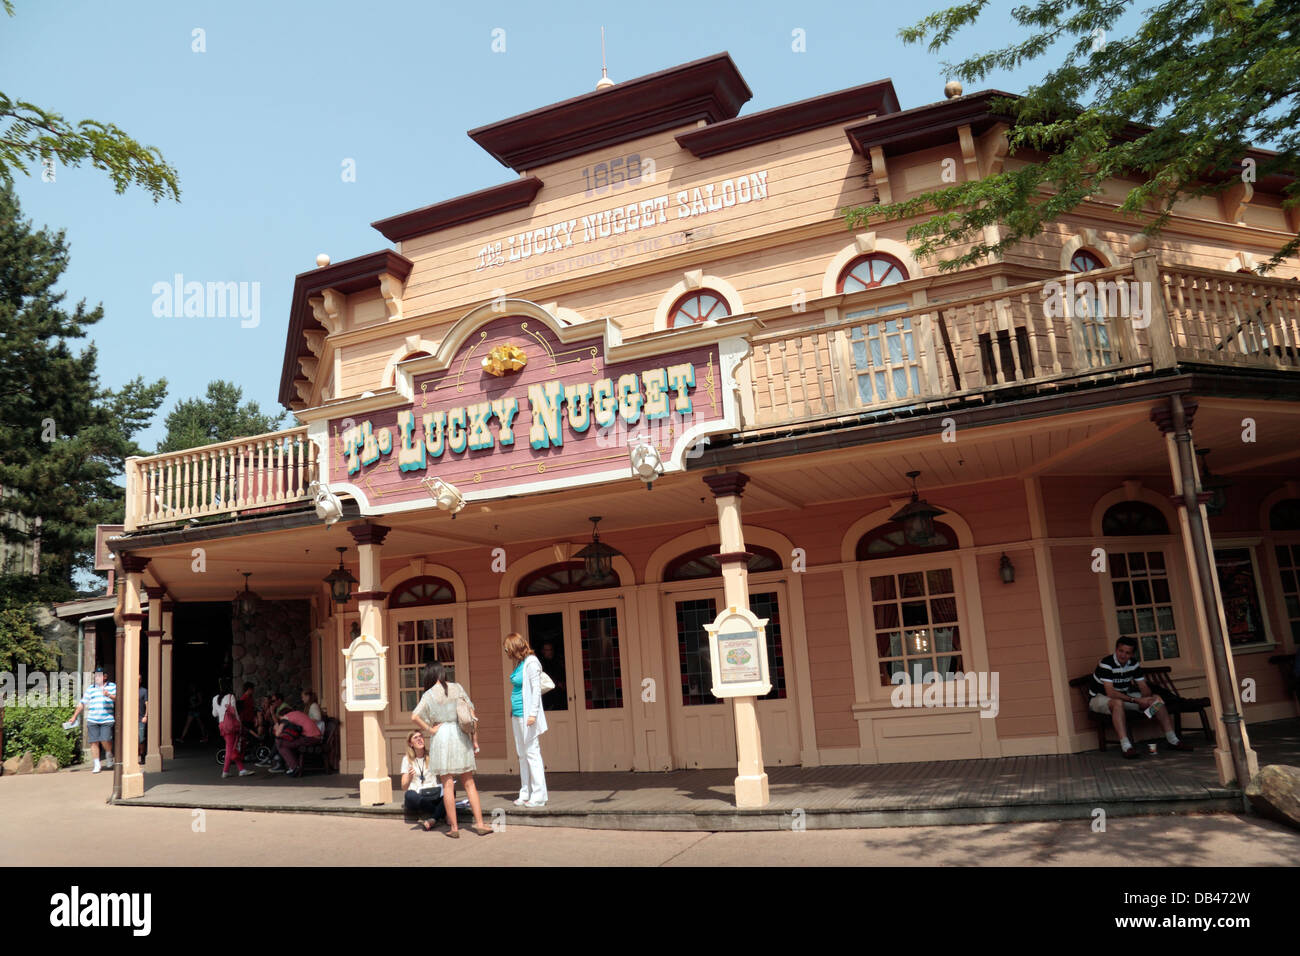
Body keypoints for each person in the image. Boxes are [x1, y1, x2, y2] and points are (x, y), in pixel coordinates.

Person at [410, 662, 491, 837]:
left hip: (441, 737)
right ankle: (480, 824)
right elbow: (471, 714)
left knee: (447, 784)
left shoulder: (428, 694)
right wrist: (475, 740)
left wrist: (430, 729)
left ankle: (453, 828)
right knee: (469, 782)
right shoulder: (457, 688)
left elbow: (414, 716)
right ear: (443, 673)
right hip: (459, 734)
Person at [1089, 636, 1194, 758]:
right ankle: (1126, 747)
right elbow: (1110, 693)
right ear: (1116, 649)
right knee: (1117, 703)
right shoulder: (1106, 664)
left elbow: (1143, 687)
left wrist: (1148, 699)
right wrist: (1136, 700)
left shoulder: (1133, 664)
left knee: (1157, 701)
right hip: (1099, 699)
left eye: (1127, 653)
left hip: (1123, 697)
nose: (1123, 655)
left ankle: (1173, 740)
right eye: (1120, 651)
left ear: (1132, 654)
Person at [504, 632, 549, 807]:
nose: (507, 651)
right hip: (517, 714)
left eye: (508, 648)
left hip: (527, 715)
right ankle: (525, 792)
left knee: (532, 753)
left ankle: (539, 795)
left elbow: (536, 690)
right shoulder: (520, 663)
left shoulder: (531, 662)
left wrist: (533, 714)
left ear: (515, 647)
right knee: (522, 755)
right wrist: (512, 709)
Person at [67, 665, 116, 773]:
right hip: (92, 719)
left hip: (107, 719)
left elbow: (119, 699)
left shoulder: (112, 686)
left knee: (105, 739)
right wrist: (74, 716)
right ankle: (97, 764)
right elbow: (82, 703)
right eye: (95, 675)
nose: (96, 677)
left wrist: (109, 695)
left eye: (99, 675)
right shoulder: (91, 688)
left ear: (105, 676)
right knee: (94, 742)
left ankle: (108, 754)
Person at [401, 730, 447, 831]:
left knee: (450, 791)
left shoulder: (432, 756)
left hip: (433, 793)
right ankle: (441, 814)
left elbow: (444, 773)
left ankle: (433, 819)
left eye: (421, 736)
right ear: (410, 743)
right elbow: (404, 787)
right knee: (409, 795)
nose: (419, 739)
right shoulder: (407, 759)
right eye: (415, 737)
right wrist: (409, 777)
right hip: (418, 796)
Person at [213, 680, 254, 778]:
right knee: (230, 749)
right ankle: (226, 771)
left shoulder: (215, 698)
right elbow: (235, 713)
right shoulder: (230, 697)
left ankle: (241, 770)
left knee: (230, 747)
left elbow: (214, 714)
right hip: (231, 726)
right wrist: (239, 724)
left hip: (222, 725)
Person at [273, 705, 321, 777]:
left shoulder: (286, 717)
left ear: (282, 715)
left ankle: (294, 767)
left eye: (280, 718)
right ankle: (293, 766)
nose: (280, 720)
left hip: (311, 738)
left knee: (280, 743)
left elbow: (277, 733)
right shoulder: (297, 713)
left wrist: (276, 727)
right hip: (314, 737)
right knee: (283, 742)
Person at [138, 683, 148, 763]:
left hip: (141, 718)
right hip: (131, 718)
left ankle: (142, 756)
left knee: (141, 739)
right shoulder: (129, 690)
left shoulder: (144, 691)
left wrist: (146, 715)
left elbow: (147, 704)